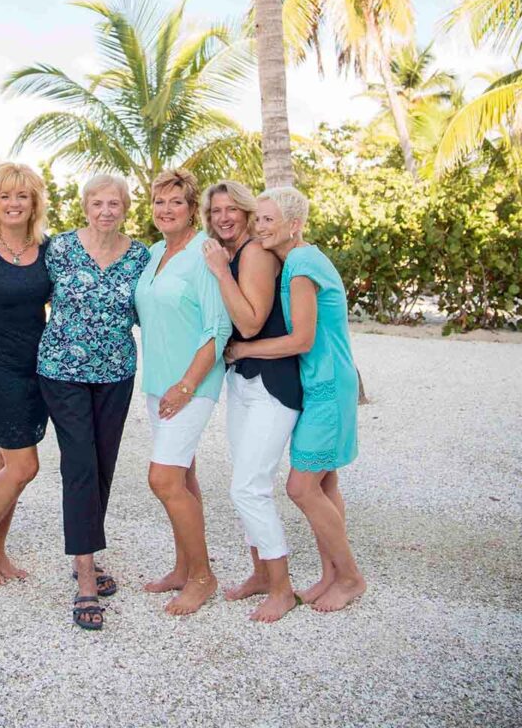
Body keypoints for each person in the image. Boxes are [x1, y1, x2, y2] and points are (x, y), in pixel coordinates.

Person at [224, 186, 366, 613]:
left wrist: (245, 350)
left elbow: (302, 339)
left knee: (301, 487)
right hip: (324, 384)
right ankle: (331, 574)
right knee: (325, 482)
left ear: (294, 225)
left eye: (268, 219)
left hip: (325, 387)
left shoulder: (301, 264)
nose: (260, 226)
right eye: (259, 219)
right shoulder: (301, 259)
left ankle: (352, 578)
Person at [37, 174, 150, 631]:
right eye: (98, 203)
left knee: (103, 465)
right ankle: (85, 577)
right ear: (85, 206)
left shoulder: (140, 256)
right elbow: (23, 297)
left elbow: (157, 311)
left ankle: (84, 551)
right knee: (80, 464)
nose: (106, 210)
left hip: (116, 373)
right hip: (61, 371)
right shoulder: (60, 250)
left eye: (114, 203)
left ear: (125, 207)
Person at [201, 180, 303, 623]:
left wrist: (221, 273)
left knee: (250, 487)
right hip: (244, 382)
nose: (223, 217)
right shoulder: (236, 253)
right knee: (243, 482)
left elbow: (249, 322)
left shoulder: (255, 255)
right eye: (215, 211)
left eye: (231, 210)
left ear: (245, 213)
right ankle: (261, 573)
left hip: (273, 384)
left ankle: (282, 588)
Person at [134, 168, 231, 616]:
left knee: (164, 479)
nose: (166, 210)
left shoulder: (203, 253)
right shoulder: (155, 252)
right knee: (184, 477)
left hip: (192, 383)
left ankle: (203, 578)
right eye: (159, 202)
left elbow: (218, 327)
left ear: (193, 209)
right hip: (157, 383)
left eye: (176, 202)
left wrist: (188, 384)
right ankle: (183, 566)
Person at [0, 163, 52, 586]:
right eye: (5, 196)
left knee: (6, 461)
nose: (13, 204)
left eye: (22, 196)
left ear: (34, 201)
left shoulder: (48, 249)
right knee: (23, 465)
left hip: (41, 365)